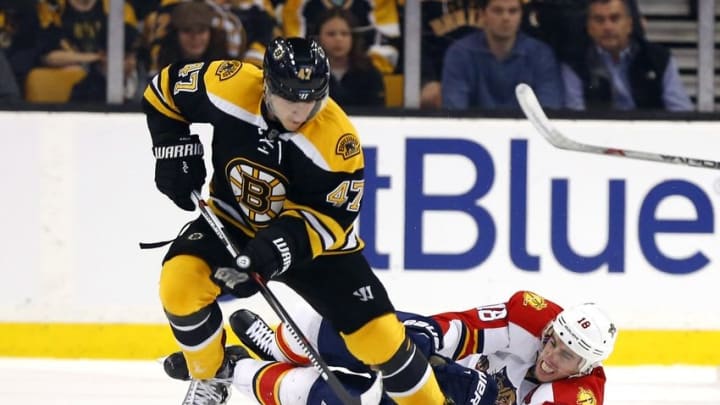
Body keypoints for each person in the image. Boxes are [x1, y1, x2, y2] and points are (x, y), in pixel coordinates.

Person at [142, 36, 449, 404]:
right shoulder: (229, 84)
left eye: (312, 98)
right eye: (291, 97)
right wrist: (173, 149)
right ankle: (213, 375)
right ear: (267, 84)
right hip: (232, 221)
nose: (301, 111)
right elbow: (163, 91)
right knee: (179, 286)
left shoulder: (337, 141)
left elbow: (331, 219)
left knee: (379, 335)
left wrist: (271, 252)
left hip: (318, 249)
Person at [206, 290, 617, 404]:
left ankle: (236, 370)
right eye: (553, 342)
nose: (549, 355)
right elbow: (463, 328)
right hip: (452, 369)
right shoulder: (531, 315)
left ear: (585, 366)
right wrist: (427, 340)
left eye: (565, 355)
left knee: (349, 399)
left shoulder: (575, 397)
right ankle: (281, 346)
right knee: (375, 330)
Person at [561, 0, 693, 111]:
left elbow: (680, 112)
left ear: (629, 24)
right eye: (599, 20)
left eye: (615, 18)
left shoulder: (658, 58)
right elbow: (575, 117)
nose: (607, 27)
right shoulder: (574, 63)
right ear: (589, 28)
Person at [441, 0, 564, 110]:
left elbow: (549, 110)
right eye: (497, 11)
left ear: (521, 15)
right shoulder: (460, 53)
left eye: (513, 11)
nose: (506, 17)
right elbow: (454, 111)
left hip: (528, 133)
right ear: (483, 14)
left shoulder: (541, 54)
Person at [314, 8, 385, 108]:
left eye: (344, 34)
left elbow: (378, 114)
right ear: (319, 38)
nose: (338, 39)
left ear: (353, 38)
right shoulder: (309, 75)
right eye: (331, 34)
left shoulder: (370, 74)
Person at [154, 1, 229, 73]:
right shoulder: (162, 72)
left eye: (201, 30)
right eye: (187, 30)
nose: (195, 37)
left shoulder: (227, 67)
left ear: (211, 34)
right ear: (175, 34)